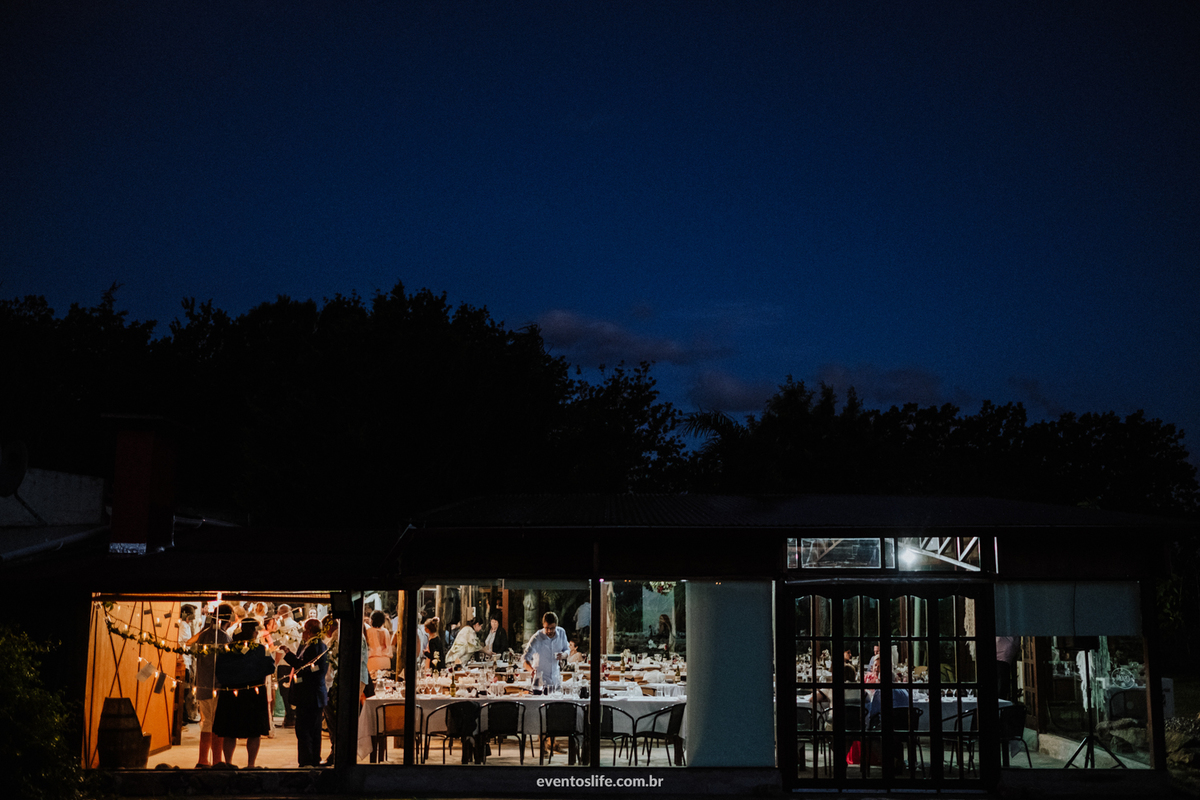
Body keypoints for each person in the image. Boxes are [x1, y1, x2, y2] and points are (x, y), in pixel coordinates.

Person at [212, 619, 277, 768]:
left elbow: (219, 671)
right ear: (253, 632)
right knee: (254, 731)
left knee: (229, 731)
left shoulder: (226, 649)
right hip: (254, 693)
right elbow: (270, 668)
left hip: (230, 693)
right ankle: (251, 764)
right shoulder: (261, 649)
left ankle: (228, 763)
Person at [188, 603, 232, 767]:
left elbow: (188, 645)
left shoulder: (203, 635)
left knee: (206, 722)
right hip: (217, 686)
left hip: (202, 685)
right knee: (217, 724)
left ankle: (203, 759)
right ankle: (217, 760)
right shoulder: (223, 637)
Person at [282, 618, 330, 767]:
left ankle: (307, 760)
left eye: (305, 630)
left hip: (309, 695)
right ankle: (312, 759)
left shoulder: (316, 647)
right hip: (311, 695)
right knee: (312, 729)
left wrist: (288, 654)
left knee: (305, 730)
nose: (303, 633)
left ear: (309, 631)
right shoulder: (312, 646)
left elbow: (303, 667)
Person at [522, 612, 569, 692]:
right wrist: (531, 670)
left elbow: (567, 650)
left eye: (552, 628)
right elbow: (524, 658)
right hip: (540, 682)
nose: (550, 631)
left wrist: (563, 655)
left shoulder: (561, 633)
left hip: (556, 680)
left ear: (556, 625)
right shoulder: (537, 638)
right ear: (543, 625)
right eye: (547, 628)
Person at [275, 604, 302, 728]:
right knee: (294, 689)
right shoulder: (297, 626)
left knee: (284, 691)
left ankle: (290, 716)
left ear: (280, 613)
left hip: (284, 663)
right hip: (296, 662)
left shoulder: (281, 627)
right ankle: (293, 715)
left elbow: (279, 648)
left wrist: (275, 664)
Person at [365, 610, 392, 676]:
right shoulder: (386, 631)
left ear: (371, 620)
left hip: (373, 662)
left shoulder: (368, 631)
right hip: (386, 662)